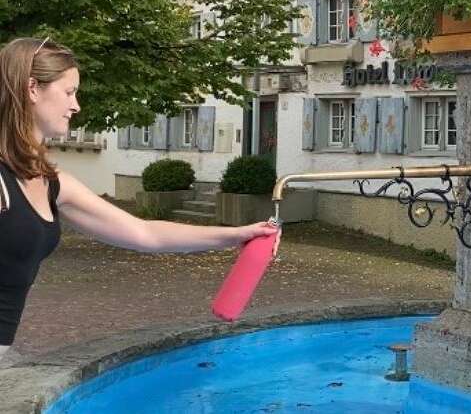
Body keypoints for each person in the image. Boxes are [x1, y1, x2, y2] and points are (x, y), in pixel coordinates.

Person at [0, 37, 278, 357]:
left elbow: (144, 233)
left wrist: (238, 235)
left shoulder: (52, 183)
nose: (76, 105)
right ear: (32, 88)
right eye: (69, 92)